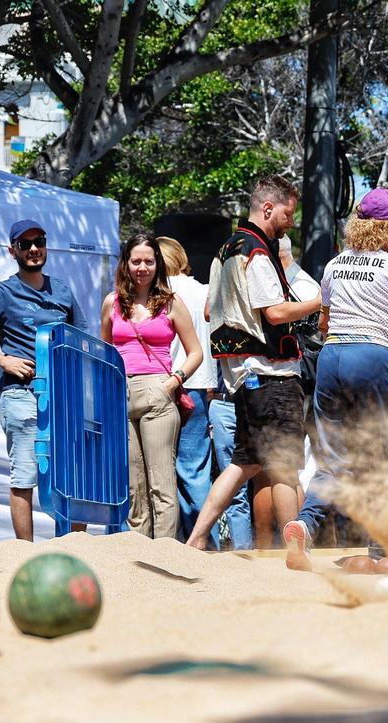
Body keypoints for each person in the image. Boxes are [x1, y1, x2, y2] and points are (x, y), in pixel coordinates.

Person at [283, 189, 388, 569]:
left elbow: (324, 321)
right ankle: (383, 549)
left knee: (332, 456)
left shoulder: (335, 264)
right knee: (387, 453)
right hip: (374, 355)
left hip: (332, 355)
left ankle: (306, 526)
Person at [186, 175, 321, 550]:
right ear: (267, 208)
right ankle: (296, 548)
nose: (290, 221)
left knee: (243, 463)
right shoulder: (257, 252)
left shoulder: (225, 250)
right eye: (287, 213)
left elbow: (212, 310)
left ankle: (196, 539)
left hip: (242, 378)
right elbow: (276, 313)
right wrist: (317, 302)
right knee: (283, 466)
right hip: (273, 376)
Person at [0, 220, 88, 540]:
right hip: (20, 394)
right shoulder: (3, 291)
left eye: (38, 241)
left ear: (47, 245)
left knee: (71, 473)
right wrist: (3, 359)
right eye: (25, 244)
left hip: (63, 395)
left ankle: (74, 547)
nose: (33, 249)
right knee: (25, 471)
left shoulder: (64, 289)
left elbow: (81, 339)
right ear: (12, 251)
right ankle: (24, 554)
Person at [100, 234, 203, 539]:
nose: (142, 267)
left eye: (149, 261)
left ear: (158, 264)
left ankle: (164, 554)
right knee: (133, 486)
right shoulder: (112, 303)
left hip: (158, 393)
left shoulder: (171, 303)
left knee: (162, 484)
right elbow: (105, 351)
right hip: (122, 394)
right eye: (136, 261)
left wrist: (172, 383)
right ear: (125, 264)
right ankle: (138, 556)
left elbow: (195, 351)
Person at [250, 234, 322, 548]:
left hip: (294, 381)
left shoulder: (304, 287)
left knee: (285, 470)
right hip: (276, 379)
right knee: (271, 470)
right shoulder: (302, 286)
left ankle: (292, 542)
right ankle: (271, 546)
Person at [158, 237, 217, 543]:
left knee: (163, 469)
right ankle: (205, 538)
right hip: (201, 385)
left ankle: (180, 541)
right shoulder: (206, 291)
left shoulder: (158, 295)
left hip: (168, 383)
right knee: (196, 471)